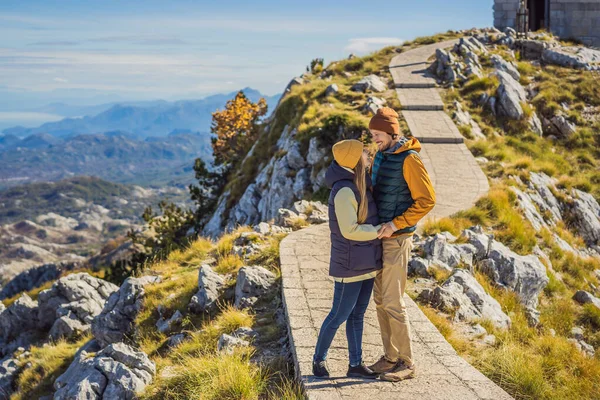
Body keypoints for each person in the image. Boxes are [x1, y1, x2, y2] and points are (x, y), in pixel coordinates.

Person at [367, 107, 436, 382]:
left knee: (394, 301)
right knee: (381, 300)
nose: (374, 139)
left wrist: (395, 224)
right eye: (372, 135)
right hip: (379, 238)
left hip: (397, 239)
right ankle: (390, 357)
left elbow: (427, 200)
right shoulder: (381, 155)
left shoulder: (410, 159)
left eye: (377, 134)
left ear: (391, 131)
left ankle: (407, 363)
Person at [312, 139, 383, 380]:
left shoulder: (357, 183)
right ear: (353, 159)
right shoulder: (344, 190)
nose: (366, 154)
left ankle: (355, 364)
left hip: (365, 262)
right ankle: (318, 360)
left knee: (357, 315)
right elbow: (349, 230)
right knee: (338, 315)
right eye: (362, 152)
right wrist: (379, 230)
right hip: (350, 265)